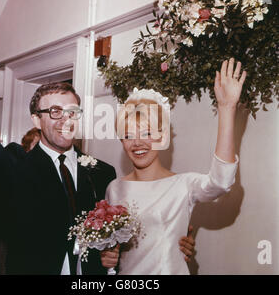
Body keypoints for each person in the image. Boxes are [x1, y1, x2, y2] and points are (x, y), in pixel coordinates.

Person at [0, 1, 194, 274]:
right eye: (55, 111)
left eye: (72, 112)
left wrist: (176, 238)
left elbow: (124, 233)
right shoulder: (16, 165)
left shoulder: (102, 172)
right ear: (36, 119)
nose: (66, 120)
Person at [101, 58, 245, 274]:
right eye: (129, 135)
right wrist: (107, 256)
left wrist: (226, 108)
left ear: (163, 135)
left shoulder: (183, 185)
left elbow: (221, 182)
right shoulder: (114, 188)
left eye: (147, 133)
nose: (137, 143)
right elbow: (114, 248)